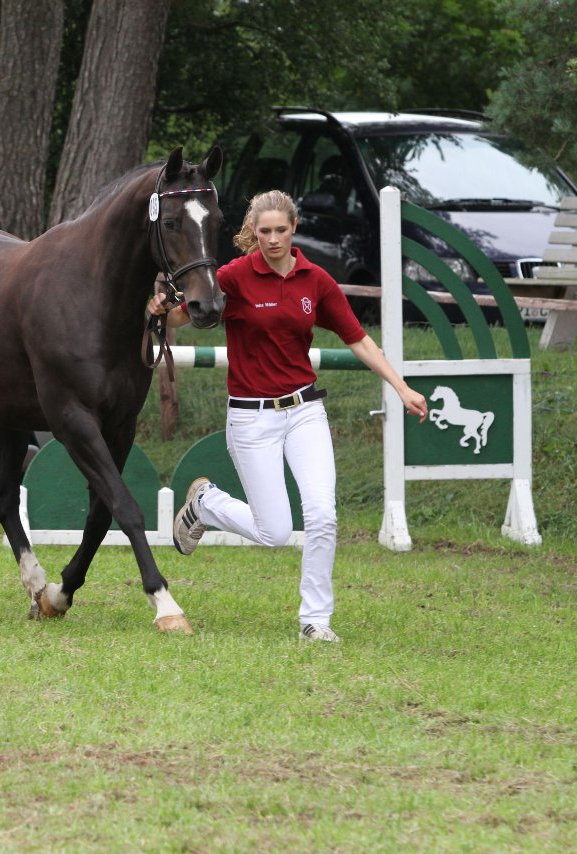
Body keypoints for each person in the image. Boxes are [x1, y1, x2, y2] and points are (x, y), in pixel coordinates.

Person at [150, 189, 428, 643]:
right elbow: (181, 317)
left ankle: (315, 621)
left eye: (281, 230)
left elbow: (358, 339)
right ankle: (205, 503)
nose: (273, 239)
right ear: (253, 233)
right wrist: (159, 308)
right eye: (264, 232)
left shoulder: (315, 280)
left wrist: (400, 387)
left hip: (305, 411)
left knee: (322, 515)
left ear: (294, 228)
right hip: (251, 419)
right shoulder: (235, 277)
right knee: (275, 532)